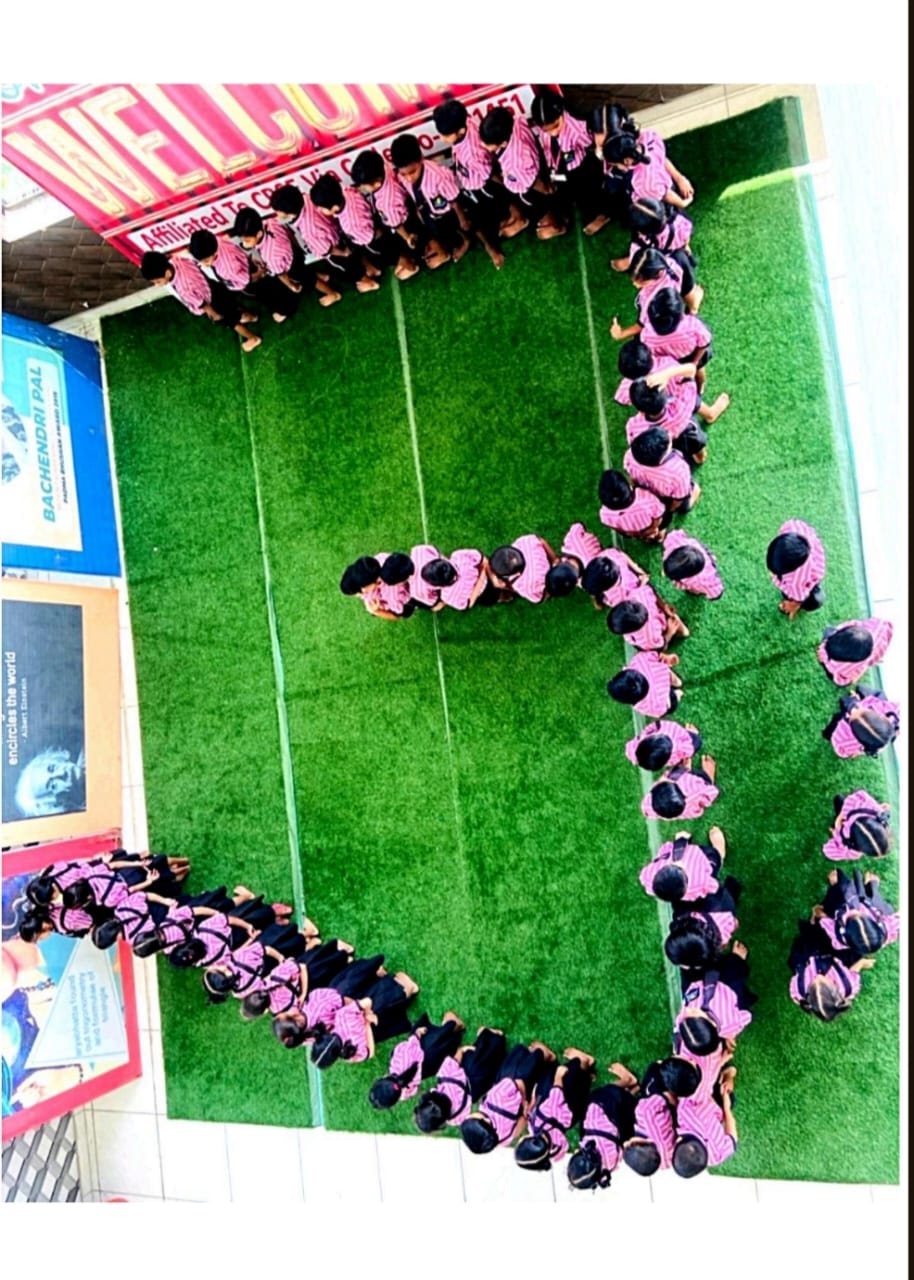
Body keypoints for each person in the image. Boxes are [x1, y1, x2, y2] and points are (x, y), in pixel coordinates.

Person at [433, 98, 523, 269]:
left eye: (445, 135)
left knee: (480, 220)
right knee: (480, 219)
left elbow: (490, 174)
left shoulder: (472, 151)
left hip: (482, 187)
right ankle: (510, 219)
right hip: (471, 182)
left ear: (460, 131)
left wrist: (506, 187)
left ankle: (495, 245)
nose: (442, 138)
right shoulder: (466, 124)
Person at [139, 251, 261, 350]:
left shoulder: (184, 289)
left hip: (212, 303)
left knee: (232, 322)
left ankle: (252, 338)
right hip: (213, 287)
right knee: (232, 306)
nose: (157, 285)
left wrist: (214, 315)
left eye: (158, 281)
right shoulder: (178, 259)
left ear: (167, 273)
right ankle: (251, 316)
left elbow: (202, 304)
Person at [229, 207, 340, 314]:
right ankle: (322, 276)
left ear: (258, 234)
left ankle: (333, 294)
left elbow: (281, 274)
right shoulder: (271, 223)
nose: (244, 244)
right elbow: (288, 233)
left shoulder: (270, 256)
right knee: (304, 271)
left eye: (247, 241)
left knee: (310, 280)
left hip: (291, 267)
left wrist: (291, 286)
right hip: (294, 252)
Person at [530, 88, 609, 236]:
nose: (553, 133)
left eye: (556, 126)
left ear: (562, 113)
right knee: (559, 194)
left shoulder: (577, 127)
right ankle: (562, 219)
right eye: (546, 130)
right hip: (558, 169)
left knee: (588, 196)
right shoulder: (541, 128)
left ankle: (602, 215)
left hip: (581, 168)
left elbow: (592, 148)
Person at [270, 183, 373, 294]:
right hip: (339, 233)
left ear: (289, 213)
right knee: (355, 257)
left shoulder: (309, 230)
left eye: (277, 210)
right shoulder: (307, 198)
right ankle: (371, 269)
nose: (276, 213)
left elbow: (327, 250)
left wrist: (343, 253)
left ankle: (368, 282)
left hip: (335, 249)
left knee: (350, 268)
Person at [479, 107, 565, 240]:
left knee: (538, 205)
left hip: (530, 188)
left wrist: (547, 191)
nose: (482, 145)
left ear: (503, 143)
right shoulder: (517, 123)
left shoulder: (516, 161)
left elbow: (534, 183)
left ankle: (555, 225)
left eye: (487, 144)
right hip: (533, 169)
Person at [390, 134, 471, 269]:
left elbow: (455, 201)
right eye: (404, 174)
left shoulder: (438, 176)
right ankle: (439, 246)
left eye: (412, 172)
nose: (409, 178)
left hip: (448, 214)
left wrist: (462, 220)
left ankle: (465, 241)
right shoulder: (402, 176)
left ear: (421, 159)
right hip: (428, 212)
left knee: (453, 228)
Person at [459, 1040, 556, 1154]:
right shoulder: (496, 1101)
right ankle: (546, 1055)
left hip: (524, 1102)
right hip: (518, 1083)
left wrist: (525, 1106)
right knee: (516, 1065)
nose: (468, 1115)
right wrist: (522, 1097)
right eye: (470, 1118)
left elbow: (521, 1124)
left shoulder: (502, 1139)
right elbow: (517, 1083)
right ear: (485, 1120)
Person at [311, 970, 420, 1070]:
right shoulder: (341, 1017)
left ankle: (405, 992)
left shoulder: (350, 1053)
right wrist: (367, 1016)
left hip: (383, 1023)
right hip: (379, 1002)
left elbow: (370, 1053)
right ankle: (401, 987)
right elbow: (367, 1001)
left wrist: (367, 1024)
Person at [515, 1049, 596, 1172]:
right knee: (557, 1080)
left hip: (571, 1114)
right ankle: (584, 1062)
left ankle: (586, 1077)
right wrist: (559, 1076)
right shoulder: (541, 1123)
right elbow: (556, 1094)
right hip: (564, 1101)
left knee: (579, 1090)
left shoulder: (556, 1151)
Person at [413, 1027, 508, 1132]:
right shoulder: (446, 1077)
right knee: (476, 1058)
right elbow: (455, 1059)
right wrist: (462, 1049)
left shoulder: (455, 1119)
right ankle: (488, 1035)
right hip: (474, 1064)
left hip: (480, 1086)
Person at [614, 339, 729, 425]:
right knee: (694, 401)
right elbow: (688, 371)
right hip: (679, 397)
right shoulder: (667, 363)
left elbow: (622, 398)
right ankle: (710, 414)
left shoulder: (628, 385)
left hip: (657, 412)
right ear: (651, 355)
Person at [368, 1011, 466, 1110]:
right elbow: (411, 1046)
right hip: (428, 1044)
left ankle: (455, 1035)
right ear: (384, 1077)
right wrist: (416, 1034)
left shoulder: (405, 1093)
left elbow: (414, 1089)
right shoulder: (396, 1062)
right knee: (445, 1019)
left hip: (434, 1062)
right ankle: (451, 1024)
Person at [599, 109, 694, 209]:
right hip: (663, 183)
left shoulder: (645, 184)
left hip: (654, 202)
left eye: (615, 164)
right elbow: (661, 159)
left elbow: (665, 195)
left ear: (626, 161)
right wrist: (680, 179)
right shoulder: (649, 138)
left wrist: (681, 203)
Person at [240, 937, 355, 1019]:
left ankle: (344, 959)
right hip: (308, 971)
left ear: (264, 1011)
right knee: (321, 961)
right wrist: (303, 993)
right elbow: (301, 966)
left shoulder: (279, 1011)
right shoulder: (273, 979)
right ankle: (340, 950)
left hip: (312, 984)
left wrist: (303, 995)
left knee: (328, 969)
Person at [566, 1062, 639, 1190]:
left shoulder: (610, 1166)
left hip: (626, 1127)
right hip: (612, 1108)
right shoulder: (589, 1143)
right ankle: (628, 1080)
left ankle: (631, 1093)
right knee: (600, 1095)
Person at [629, 287, 713, 395]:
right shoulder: (693, 326)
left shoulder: (646, 334)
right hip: (690, 356)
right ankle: (700, 388)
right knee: (699, 370)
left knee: (673, 383)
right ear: (681, 315)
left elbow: (650, 353)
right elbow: (705, 343)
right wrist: (694, 362)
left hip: (667, 363)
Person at [675, 943, 756, 1051]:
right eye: (693, 1014)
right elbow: (747, 1015)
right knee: (734, 973)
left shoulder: (686, 1018)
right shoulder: (730, 1022)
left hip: (702, 982)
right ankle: (738, 957)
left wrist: (728, 1034)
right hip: (728, 988)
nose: (688, 1010)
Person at [350, 149, 423, 269]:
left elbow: (397, 226)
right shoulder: (383, 167)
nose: (360, 188)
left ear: (376, 184)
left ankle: (412, 261)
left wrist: (407, 238)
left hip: (403, 223)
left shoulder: (387, 204)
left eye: (363, 186)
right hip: (405, 208)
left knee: (402, 245)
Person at [788, 919, 867, 1020]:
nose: (817, 976)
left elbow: (795, 995)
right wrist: (862, 963)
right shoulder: (848, 986)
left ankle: (813, 924)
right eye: (822, 981)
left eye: (812, 985)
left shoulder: (800, 991)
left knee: (810, 936)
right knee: (848, 948)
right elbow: (853, 972)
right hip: (834, 955)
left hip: (809, 956)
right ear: (836, 989)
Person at [812, 868, 899, 959]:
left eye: (850, 918)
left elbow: (822, 916)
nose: (855, 911)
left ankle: (836, 884)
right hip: (870, 906)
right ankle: (872, 887)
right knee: (884, 909)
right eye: (863, 917)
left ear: (846, 931)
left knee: (841, 888)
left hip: (843, 906)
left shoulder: (838, 934)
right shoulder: (887, 928)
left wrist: (817, 911)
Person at [626, 376, 709, 467]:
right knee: (696, 445)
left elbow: (634, 442)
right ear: (665, 393)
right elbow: (689, 374)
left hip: (660, 448)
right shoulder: (681, 407)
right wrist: (666, 374)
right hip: (687, 435)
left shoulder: (634, 425)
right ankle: (699, 458)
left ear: (640, 410)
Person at [666, 879, 742, 974]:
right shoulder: (682, 919)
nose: (685, 967)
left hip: (719, 901)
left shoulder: (722, 916)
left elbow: (735, 923)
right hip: (702, 902)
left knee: (730, 891)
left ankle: (733, 885)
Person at [672, 1066, 738, 1175]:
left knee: (728, 1095)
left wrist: (726, 1107)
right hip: (705, 1099)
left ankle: (726, 1077)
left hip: (717, 1107)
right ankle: (722, 1075)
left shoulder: (716, 1157)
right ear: (677, 1141)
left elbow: (732, 1133)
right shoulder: (685, 1114)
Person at [623, 426, 700, 515]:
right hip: (668, 495)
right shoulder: (679, 471)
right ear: (661, 459)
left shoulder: (629, 456)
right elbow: (678, 500)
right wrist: (670, 510)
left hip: (646, 488)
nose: (669, 434)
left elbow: (631, 477)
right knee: (687, 501)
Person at [639, 829, 725, 903]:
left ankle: (682, 840)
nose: (678, 862)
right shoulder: (700, 880)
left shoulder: (647, 876)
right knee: (714, 859)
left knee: (675, 848)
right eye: (680, 869)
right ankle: (719, 853)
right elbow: (713, 886)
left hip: (671, 853)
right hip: (701, 858)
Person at [767, 519, 827, 617]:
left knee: (813, 601)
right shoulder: (790, 526)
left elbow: (799, 596)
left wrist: (794, 605)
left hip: (810, 578)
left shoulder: (797, 578)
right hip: (810, 560)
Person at [606, 584, 690, 652]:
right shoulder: (638, 594)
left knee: (684, 632)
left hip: (656, 628)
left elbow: (660, 647)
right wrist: (670, 632)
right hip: (657, 631)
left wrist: (664, 607)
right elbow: (660, 647)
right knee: (684, 632)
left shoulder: (648, 637)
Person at [822, 686, 900, 758]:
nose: (854, 711)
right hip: (858, 748)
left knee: (846, 702)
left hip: (844, 744)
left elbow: (839, 747)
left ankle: (827, 734)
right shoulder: (890, 712)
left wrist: (854, 702)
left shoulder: (843, 730)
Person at [597, 467, 668, 543]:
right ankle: (657, 535)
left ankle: (647, 537)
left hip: (631, 531)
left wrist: (633, 533)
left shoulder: (605, 513)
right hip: (649, 526)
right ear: (630, 487)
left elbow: (615, 528)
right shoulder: (645, 498)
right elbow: (658, 516)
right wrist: (653, 529)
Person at [816, 618, 893, 687]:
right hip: (878, 627)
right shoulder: (856, 627)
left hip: (880, 636)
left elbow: (845, 679)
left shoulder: (860, 663)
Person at [607, 649, 682, 718]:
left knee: (672, 701)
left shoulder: (642, 705)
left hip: (664, 696)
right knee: (670, 675)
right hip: (663, 673)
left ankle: (678, 693)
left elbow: (661, 711)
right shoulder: (639, 660)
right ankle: (677, 683)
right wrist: (667, 658)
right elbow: (655, 655)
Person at [642, 756, 719, 821]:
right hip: (693, 801)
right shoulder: (690, 784)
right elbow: (713, 791)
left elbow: (647, 810)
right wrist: (709, 774)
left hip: (685, 810)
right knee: (705, 781)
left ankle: (684, 767)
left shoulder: (652, 805)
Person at [823, 790, 892, 861]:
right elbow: (828, 850)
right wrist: (838, 826)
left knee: (838, 799)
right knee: (838, 800)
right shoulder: (852, 851)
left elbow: (859, 794)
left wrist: (839, 821)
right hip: (844, 823)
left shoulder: (871, 808)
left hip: (847, 816)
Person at [487, 535, 558, 604]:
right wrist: (554, 559)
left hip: (546, 581)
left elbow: (538, 598)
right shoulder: (524, 541)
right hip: (545, 566)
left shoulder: (523, 585)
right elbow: (540, 539)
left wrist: (507, 587)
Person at [622, 1090, 677, 1175]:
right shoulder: (645, 1113)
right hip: (665, 1101)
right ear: (636, 1141)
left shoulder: (665, 1163)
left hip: (671, 1118)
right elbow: (667, 1096)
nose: (625, 1143)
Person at [581, 547, 650, 611]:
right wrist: (642, 582)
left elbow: (622, 555)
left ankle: (597, 600)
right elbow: (633, 600)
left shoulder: (609, 554)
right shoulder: (608, 554)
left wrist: (637, 569)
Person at [662, 532, 724, 599]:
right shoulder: (674, 542)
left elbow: (716, 592)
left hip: (705, 564)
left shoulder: (705, 579)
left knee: (696, 590)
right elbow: (673, 535)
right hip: (694, 546)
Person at [420, 551, 490, 611]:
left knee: (490, 599)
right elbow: (480, 557)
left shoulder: (447, 596)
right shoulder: (458, 556)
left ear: (438, 586)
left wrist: (481, 578)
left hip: (482, 593)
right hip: (485, 576)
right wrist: (483, 572)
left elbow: (469, 604)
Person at [625, 719, 702, 772]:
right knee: (696, 742)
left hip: (681, 737)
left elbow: (689, 750)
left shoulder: (678, 747)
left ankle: (691, 732)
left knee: (696, 741)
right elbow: (655, 725)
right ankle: (691, 732)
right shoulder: (645, 737)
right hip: (678, 736)